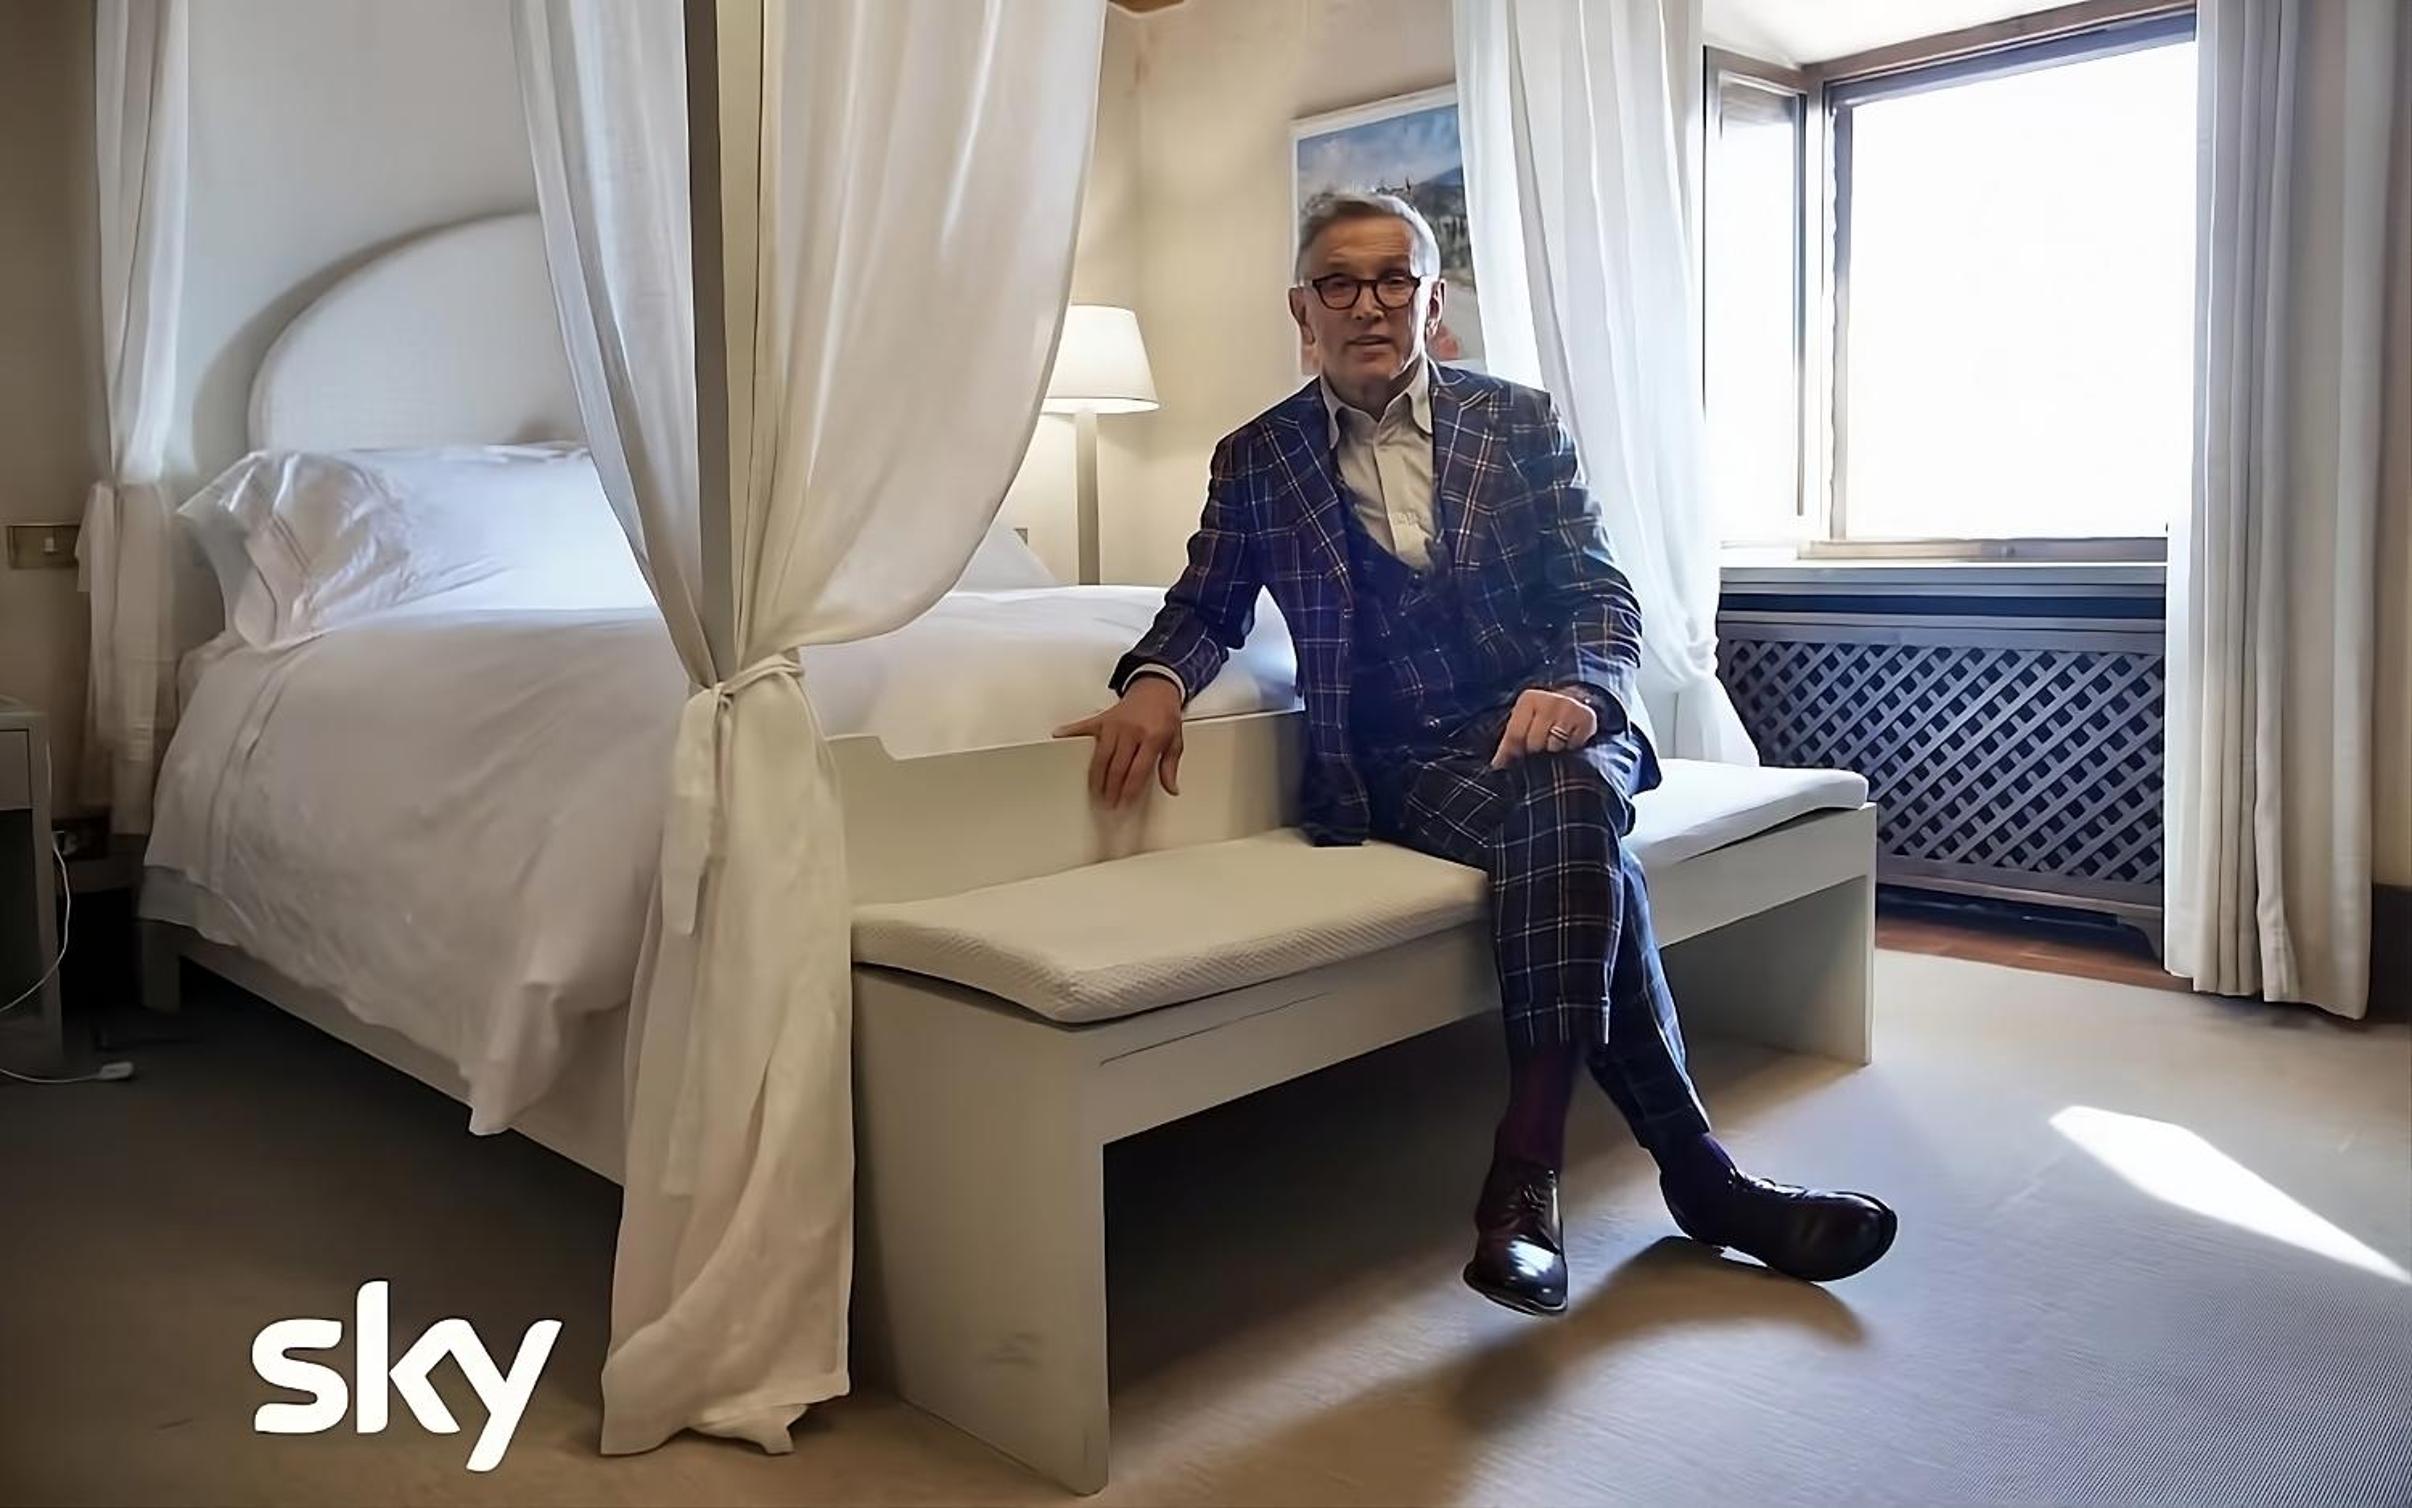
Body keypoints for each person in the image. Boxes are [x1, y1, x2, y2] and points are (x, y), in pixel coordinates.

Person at [1055, 192, 1895, 1315]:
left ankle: (1525, 1171)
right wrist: (1155, 684)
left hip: (1552, 724)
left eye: (1393, 279)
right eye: (1340, 283)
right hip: (1401, 760)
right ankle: (1703, 1179)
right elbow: (1207, 604)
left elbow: (1599, 595)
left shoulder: (1519, 422)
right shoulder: (1256, 458)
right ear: (1302, 311)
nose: (1368, 305)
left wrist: (1580, 690)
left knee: (1566, 795)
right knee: (1588, 849)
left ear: (1431, 300)